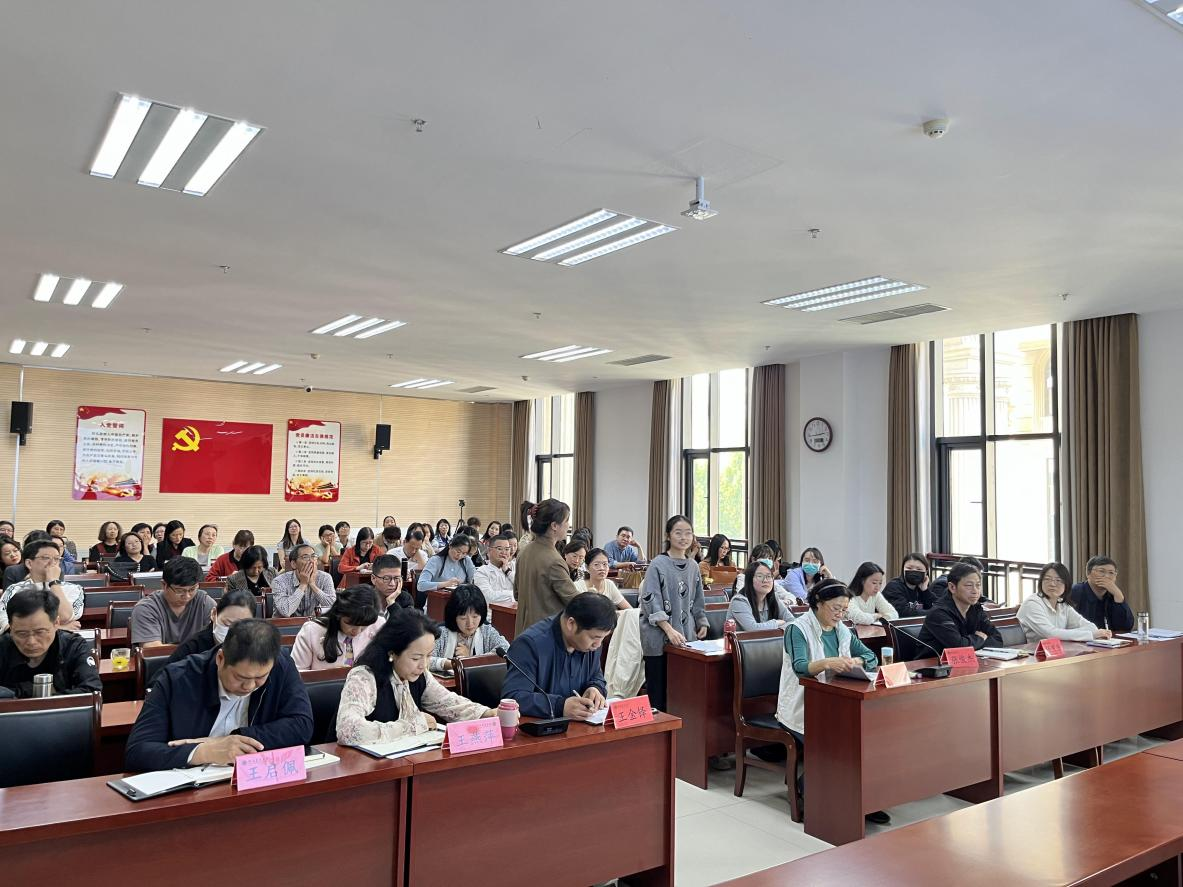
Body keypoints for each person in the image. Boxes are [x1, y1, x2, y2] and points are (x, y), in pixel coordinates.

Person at [125, 620, 313, 770]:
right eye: (240, 677)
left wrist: (234, 740)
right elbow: (137, 752)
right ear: (220, 658)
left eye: (260, 677)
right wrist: (204, 751)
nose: (249, 686)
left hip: (255, 779)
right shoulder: (177, 679)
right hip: (192, 788)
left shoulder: (281, 665)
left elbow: (302, 725)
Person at [775, 578, 884, 822]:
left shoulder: (842, 630)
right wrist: (828, 663)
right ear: (818, 602)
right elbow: (800, 667)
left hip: (837, 704)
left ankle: (864, 798)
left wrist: (857, 661)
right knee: (839, 742)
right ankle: (814, 791)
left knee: (867, 736)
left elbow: (870, 656)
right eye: (836, 608)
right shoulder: (797, 629)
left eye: (844, 610)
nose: (840, 614)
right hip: (802, 707)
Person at [335, 608, 495, 744]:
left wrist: (488, 714)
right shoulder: (364, 677)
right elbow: (348, 730)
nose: (423, 665)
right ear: (392, 653)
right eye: (416, 658)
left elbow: (449, 703)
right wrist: (411, 726)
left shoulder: (420, 676)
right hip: (357, 764)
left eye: (429, 656)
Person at [502, 592, 614, 720]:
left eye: (603, 638)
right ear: (571, 624)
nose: (598, 645)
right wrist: (560, 706)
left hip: (582, 725)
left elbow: (596, 676)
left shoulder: (590, 644)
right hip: (540, 728)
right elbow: (513, 697)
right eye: (595, 637)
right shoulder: (529, 644)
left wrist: (595, 688)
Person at [639, 515, 708, 711]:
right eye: (678, 533)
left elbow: (698, 600)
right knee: (658, 696)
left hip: (685, 637)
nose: (683, 537)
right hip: (658, 638)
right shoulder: (657, 564)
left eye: (688, 533)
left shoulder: (693, 566)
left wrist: (702, 622)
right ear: (668, 535)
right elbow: (650, 601)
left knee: (682, 694)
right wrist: (668, 630)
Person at [0, 588, 101, 698]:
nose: (31, 642)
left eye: (40, 632)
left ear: (56, 623)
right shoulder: (2, 647)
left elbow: (91, 690)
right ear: (10, 627)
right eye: (22, 633)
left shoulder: (73, 646)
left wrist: (14, 694)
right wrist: (30, 690)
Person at [514, 499, 580, 635]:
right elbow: (575, 602)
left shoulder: (524, 552)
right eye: (566, 520)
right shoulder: (554, 561)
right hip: (546, 635)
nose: (568, 525)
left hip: (525, 632)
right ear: (554, 525)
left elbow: (516, 593)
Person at [130, 557, 216, 649]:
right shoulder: (146, 609)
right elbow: (152, 649)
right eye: (180, 591)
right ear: (164, 585)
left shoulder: (204, 602)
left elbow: (220, 640)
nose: (187, 596)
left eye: (192, 589)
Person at [918, 562, 1003, 655]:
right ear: (952, 587)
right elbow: (958, 646)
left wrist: (972, 643)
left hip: (966, 660)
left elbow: (998, 639)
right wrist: (980, 638)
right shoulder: (939, 613)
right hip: (931, 663)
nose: (975, 591)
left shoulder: (976, 608)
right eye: (969, 585)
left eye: (978, 585)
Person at [0, 539, 85, 632]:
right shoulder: (14, 589)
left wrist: (53, 582)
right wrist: (60, 627)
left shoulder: (74, 589)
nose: (52, 563)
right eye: (46, 558)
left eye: (57, 558)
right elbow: (6, 623)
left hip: (62, 640)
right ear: (29, 563)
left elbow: (65, 617)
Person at [291, 586, 384, 670]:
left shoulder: (378, 625)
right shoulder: (311, 631)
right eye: (351, 624)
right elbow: (296, 672)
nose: (356, 632)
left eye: (364, 626)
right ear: (339, 614)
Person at [1019, 562, 1114, 643]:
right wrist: (1090, 635)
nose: (1052, 584)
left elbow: (1091, 627)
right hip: (1031, 654)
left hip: (1058, 652)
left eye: (1058, 580)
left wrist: (1066, 633)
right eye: (1047, 579)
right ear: (1040, 582)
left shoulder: (1062, 603)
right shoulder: (1032, 603)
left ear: (1066, 584)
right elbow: (1051, 634)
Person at [428, 584, 510, 673]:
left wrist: (470, 659)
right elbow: (426, 660)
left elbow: (506, 650)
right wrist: (454, 664)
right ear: (454, 616)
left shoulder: (487, 631)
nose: (470, 623)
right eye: (463, 618)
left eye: (475, 616)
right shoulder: (441, 633)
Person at [168, 588, 258, 663]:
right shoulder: (191, 649)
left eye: (242, 627)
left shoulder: (256, 647)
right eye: (227, 624)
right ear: (214, 614)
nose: (233, 632)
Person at [1068, 556, 1135, 633]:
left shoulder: (1113, 594)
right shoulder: (1074, 592)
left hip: (1108, 639)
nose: (1107, 576)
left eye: (1111, 573)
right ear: (1088, 574)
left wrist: (1119, 595)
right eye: (1101, 571)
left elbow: (1125, 628)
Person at [271, 544, 336, 617]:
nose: (311, 561)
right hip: (287, 623)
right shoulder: (279, 581)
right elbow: (285, 611)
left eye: (313, 556)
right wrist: (303, 584)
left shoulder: (325, 577)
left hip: (313, 623)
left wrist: (312, 584)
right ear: (294, 564)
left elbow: (333, 606)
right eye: (305, 557)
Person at [728, 559, 790, 630]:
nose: (765, 580)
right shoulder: (739, 601)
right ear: (749, 580)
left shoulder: (774, 598)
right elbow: (753, 629)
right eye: (760, 576)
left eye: (769, 576)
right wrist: (777, 623)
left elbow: (792, 621)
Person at [474, 534, 516, 605]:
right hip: (492, 611)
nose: (504, 552)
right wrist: (515, 594)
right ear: (489, 550)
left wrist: (507, 571)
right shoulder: (482, 572)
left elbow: (523, 589)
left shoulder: (514, 567)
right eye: (499, 549)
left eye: (507, 549)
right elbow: (488, 597)